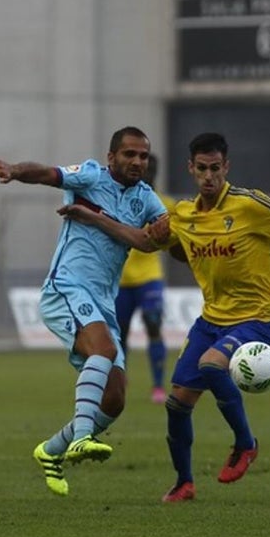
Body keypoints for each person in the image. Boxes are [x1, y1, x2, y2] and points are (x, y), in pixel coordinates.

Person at [62, 132, 270, 503]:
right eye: (201, 169)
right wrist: (94, 218)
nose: (209, 176)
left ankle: (245, 443)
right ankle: (184, 483)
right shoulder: (183, 215)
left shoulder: (250, 204)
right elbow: (142, 241)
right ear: (191, 168)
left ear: (226, 167)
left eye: (215, 168)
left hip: (257, 317)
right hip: (211, 321)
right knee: (176, 405)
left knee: (211, 365)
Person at [0, 126, 168, 497]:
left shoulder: (146, 199)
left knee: (114, 399)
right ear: (112, 157)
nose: (137, 161)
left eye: (143, 156)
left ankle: (51, 451)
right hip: (66, 287)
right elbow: (49, 174)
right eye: (129, 154)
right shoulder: (92, 175)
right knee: (105, 351)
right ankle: (81, 437)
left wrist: (100, 220)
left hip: (102, 300)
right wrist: (15, 170)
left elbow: (149, 241)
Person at [115, 155, 173, 405]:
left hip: (150, 278)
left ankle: (158, 385)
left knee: (153, 323)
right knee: (120, 333)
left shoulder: (166, 204)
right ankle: (120, 379)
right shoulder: (119, 200)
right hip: (120, 279)